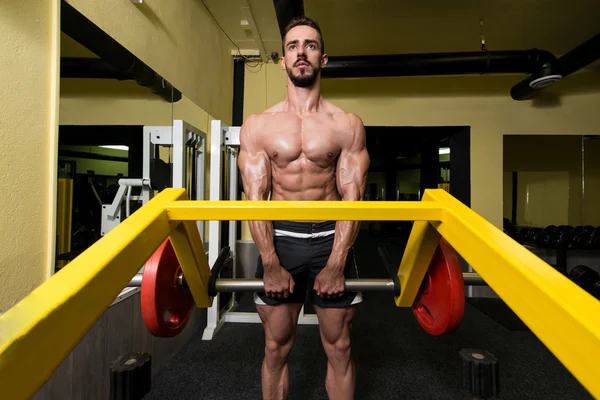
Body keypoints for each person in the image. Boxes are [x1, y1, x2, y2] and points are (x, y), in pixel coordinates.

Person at [238, 15, 370, 400]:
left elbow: (353, 198)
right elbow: (255, 198)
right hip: (282, 240)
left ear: (322, 58)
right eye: (293, 46)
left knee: (340, 346)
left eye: (310, 45)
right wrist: (270, 261)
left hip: (333, 236)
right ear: (283, 59)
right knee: (276, 348)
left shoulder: (346, 124)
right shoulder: (259, 125)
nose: (301, 53)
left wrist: (336, 262)